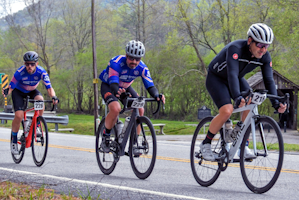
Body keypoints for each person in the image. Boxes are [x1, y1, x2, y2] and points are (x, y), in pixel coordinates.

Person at [200, 23, 287, 161]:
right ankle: (206, 144)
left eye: (266, 46)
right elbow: (232, 74)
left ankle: (242, 144)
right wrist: (237, 97)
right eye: (259, 45)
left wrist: (276, 103)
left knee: (251, 100)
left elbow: (269, 80)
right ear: (250, 41)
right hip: (216, 78)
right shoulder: (236, 49)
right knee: (227, 110)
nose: (263, 49)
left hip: (236, 78)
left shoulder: (265, 56)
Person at [99, 40, 165, 154]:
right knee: (116, 108)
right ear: (126, 55)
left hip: (126, 86)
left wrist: (157, 95)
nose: (134, 61)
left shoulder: (142, 67)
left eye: (137, 59)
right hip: (109, 85)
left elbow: (150, 85)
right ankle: (105, 138)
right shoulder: (116, 63)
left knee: (140, 109)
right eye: (131, 58)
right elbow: (114, 85)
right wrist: (121, 94)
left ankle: (134, 143)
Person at [2, 51, 59, 155]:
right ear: (25, 64)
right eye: (27, 64)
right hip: (18, 92)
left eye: (32, 64)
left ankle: (37, 124)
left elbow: (49, 88)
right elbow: (11, 87)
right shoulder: (19, 72)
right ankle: (14, 140)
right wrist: (6, 91)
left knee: (40, 101)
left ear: (36, 64)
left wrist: (54, 97)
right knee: (19, 116)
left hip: (32, 90)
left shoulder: (41, 72)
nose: (29, 66)